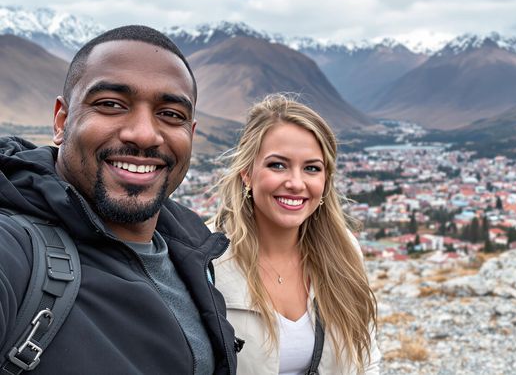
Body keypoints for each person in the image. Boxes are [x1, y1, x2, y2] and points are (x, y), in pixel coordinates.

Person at [0, 25, 237, 374]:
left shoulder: (192, 252)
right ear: (62, 121)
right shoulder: (15, 250)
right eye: (111, 105)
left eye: (171, 114)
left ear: (190, 132)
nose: (143, 134)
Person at [211, 94, 380, 375]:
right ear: (247, 173)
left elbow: (366, 360)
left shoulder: (344, 250)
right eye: (277, 165)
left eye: (312, 168)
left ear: (325, 181)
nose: (296, 183)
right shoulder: (207, 257)